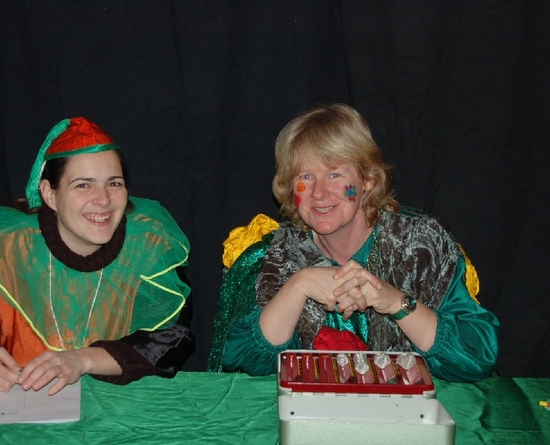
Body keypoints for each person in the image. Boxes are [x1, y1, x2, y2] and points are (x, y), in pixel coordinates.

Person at [209, 103, 499, 382]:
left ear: (368, 180)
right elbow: (244, 362)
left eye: (334, 174)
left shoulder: (419, 246)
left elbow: (475, 357)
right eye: (305, 176)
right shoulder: (275, 255)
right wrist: (298, 285)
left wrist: (395, 302)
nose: (318, 192)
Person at [0, 117, 195, 395]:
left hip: (121, 410)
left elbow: (170, 339)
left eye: (114, 183)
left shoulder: (149, 247)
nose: (104, 199)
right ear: (49, 193)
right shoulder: (7, 250)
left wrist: (82, 360)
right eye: (84, 185)